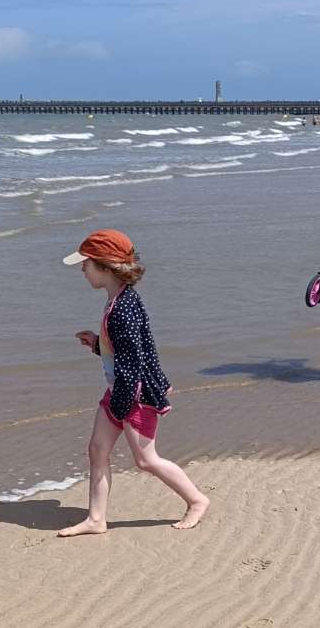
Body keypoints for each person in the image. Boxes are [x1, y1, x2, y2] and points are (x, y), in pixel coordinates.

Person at [59, 228, 209, 536]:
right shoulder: (121, 299)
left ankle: (196, 500)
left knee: (145, 459)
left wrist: (122, 404)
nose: (82, 270)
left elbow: (133, 361)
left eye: (86, 264)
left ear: (105, 266)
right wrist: (98, 344)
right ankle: (96, 519)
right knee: (97, 449)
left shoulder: (121, 311)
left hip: (133, 396)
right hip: (121, 390)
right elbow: (130, 349)